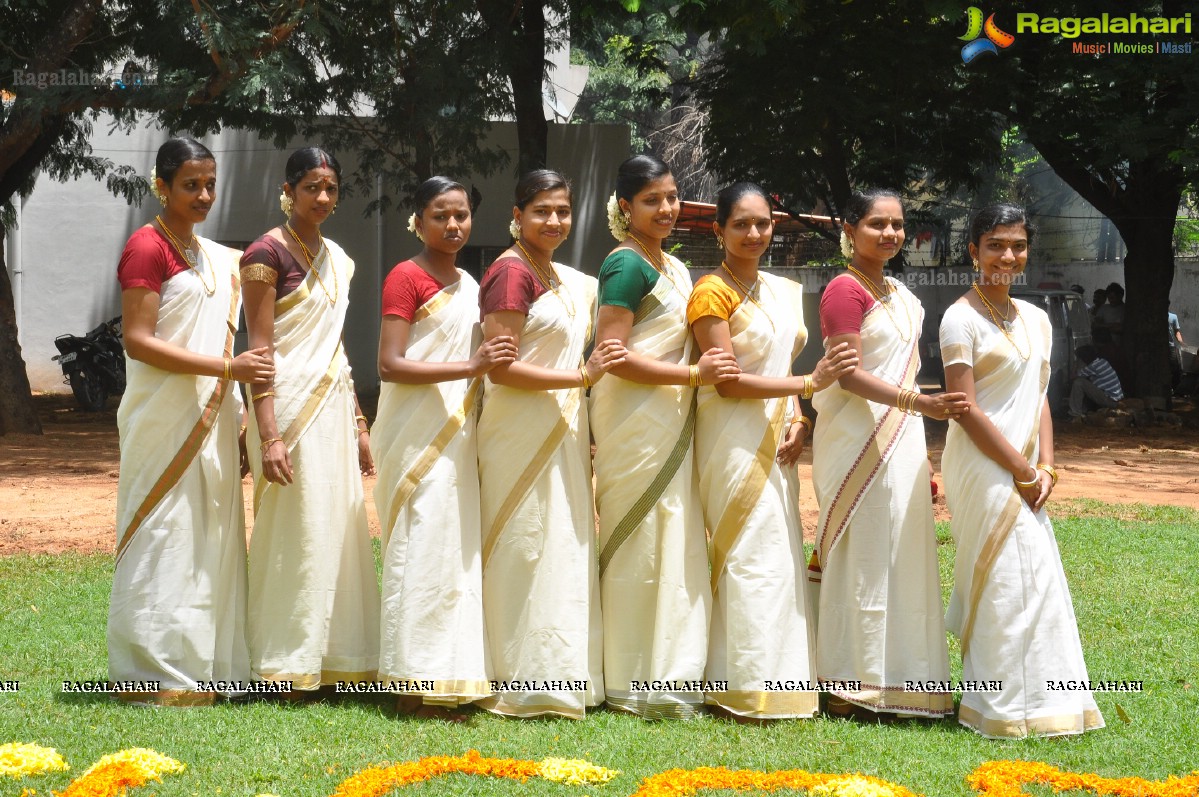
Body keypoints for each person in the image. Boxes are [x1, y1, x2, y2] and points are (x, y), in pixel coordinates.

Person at [111, 137, 274, 705]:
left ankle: (211, 668)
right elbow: (138, 341)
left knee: (211, 533)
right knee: (163, 532)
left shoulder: (217, 257)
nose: (204, 195)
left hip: (213, 417)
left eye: (210, 183)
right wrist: (229, 366)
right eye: (190, 185)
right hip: (163, 417)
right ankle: (151, 675)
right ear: (162, 186)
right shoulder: (145, 247)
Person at [688, 182, 857, 721]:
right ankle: (738, 687)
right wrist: (807, 388)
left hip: (779, 438)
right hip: (730, 439)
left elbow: (781, 372)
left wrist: (800, 417)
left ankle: (781, 682)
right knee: (745, 555)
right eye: (741, 224)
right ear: (719, 230)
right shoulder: (711, 293)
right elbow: (728, 383)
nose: (755, 233)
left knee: (777, 554)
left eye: (764, 223)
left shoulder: (782, 290)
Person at [940, 204, 1104, 738]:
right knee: (1002, 581)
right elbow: (964, 409)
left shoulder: (1035, 319)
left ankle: (1049, 703)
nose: (1007, 255)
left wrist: (1048, 466)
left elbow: (1039, 399)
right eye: (995, 245)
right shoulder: (959, 318)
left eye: (1017, 245)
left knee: (1036, 580)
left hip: (1028, 467)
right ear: (974, 251)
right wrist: (1020, 469)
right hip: (983, 466)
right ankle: (996, 708)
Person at [811, 188, 968, 720]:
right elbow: (847, 376)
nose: (890, 234)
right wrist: (918, 399)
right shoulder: (843, 290)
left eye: (897, 225)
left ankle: (904, 680)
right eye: (877, 224)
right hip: (856, 442)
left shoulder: (902, 293)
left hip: (902, 441)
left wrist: (916, 412)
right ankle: (849, 685)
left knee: (902, 552)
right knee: (864, 554)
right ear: (850, 228)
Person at [592, 156, 740, 720]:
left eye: (673, 197)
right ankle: (633, 676)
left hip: (671, 417)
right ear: (625, 207)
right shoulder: (628, 265)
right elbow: (614, 356)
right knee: (639, 539)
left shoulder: (673, 267)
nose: (668, 209)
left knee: (675, 538)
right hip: (635, 418)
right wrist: (693, 376)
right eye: (653, 200)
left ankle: (672, 672)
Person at [475, 169, 627, 719]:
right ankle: (516, 678)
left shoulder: (560, 277)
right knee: (522, 544)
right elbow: (503, 369)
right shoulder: (510, 274)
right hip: (518, 430)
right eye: (541, 211)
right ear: (517, 216)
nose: (554, 221)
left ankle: (561, 677)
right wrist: (581, 378)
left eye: (563, 211)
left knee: (561, 542)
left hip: (560, 430)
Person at [372, 177, 517, 716]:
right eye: (440, 216)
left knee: (452, 553)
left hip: (459, 435)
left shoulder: (471, 284)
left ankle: (451, 675)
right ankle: (411, 683)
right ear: (418, 218)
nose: (453, 226)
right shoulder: (405, 278)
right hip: (413, 435)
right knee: (419, 548)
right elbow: (390, 363)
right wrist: (471, 366)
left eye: (461, 216)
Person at [241, 147, 380, 692]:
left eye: (330, 188)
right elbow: (259, 350)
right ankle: (282, 661)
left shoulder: (338, 258)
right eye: (311, 188)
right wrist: (269, 433)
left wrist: (360, 425)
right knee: (291, 530)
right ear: (289, 190)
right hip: (286, 408)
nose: (322, 198)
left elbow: (336, 346)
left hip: (331, 409)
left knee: (338, 525)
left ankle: (338, 659)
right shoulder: (265, 253)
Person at [1069, 344, 1123, 418]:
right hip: (1116, 399)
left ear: (1082, 359)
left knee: (1078, 382)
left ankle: (1075, 413)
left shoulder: (1092, 367)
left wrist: (1075, 363)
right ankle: (1084, 410)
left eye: (1078, 358)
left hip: (1110, 401)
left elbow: (1072, 377)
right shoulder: (1102, 361)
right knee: (1085, 381)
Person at [1168, 302, 1185, 389]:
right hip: (1159, 347)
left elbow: (1176, 331)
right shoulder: (1155, 318)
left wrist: (1181, 342)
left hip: (1170, 346)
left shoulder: (1173, 317)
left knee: (1176, 368)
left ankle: (1172, 388)